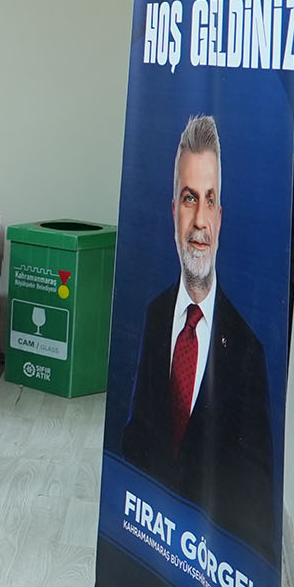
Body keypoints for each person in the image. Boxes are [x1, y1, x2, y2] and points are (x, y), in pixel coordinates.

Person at [119, 114, 276, 559]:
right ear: (174, 211)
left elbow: (256, 496)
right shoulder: (153, 316)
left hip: (209, 568)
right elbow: (137, 438)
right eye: (190, 199)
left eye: (210, 201)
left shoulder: (248, 352)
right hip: (148, 550)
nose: (200, 221)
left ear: (221, 218)